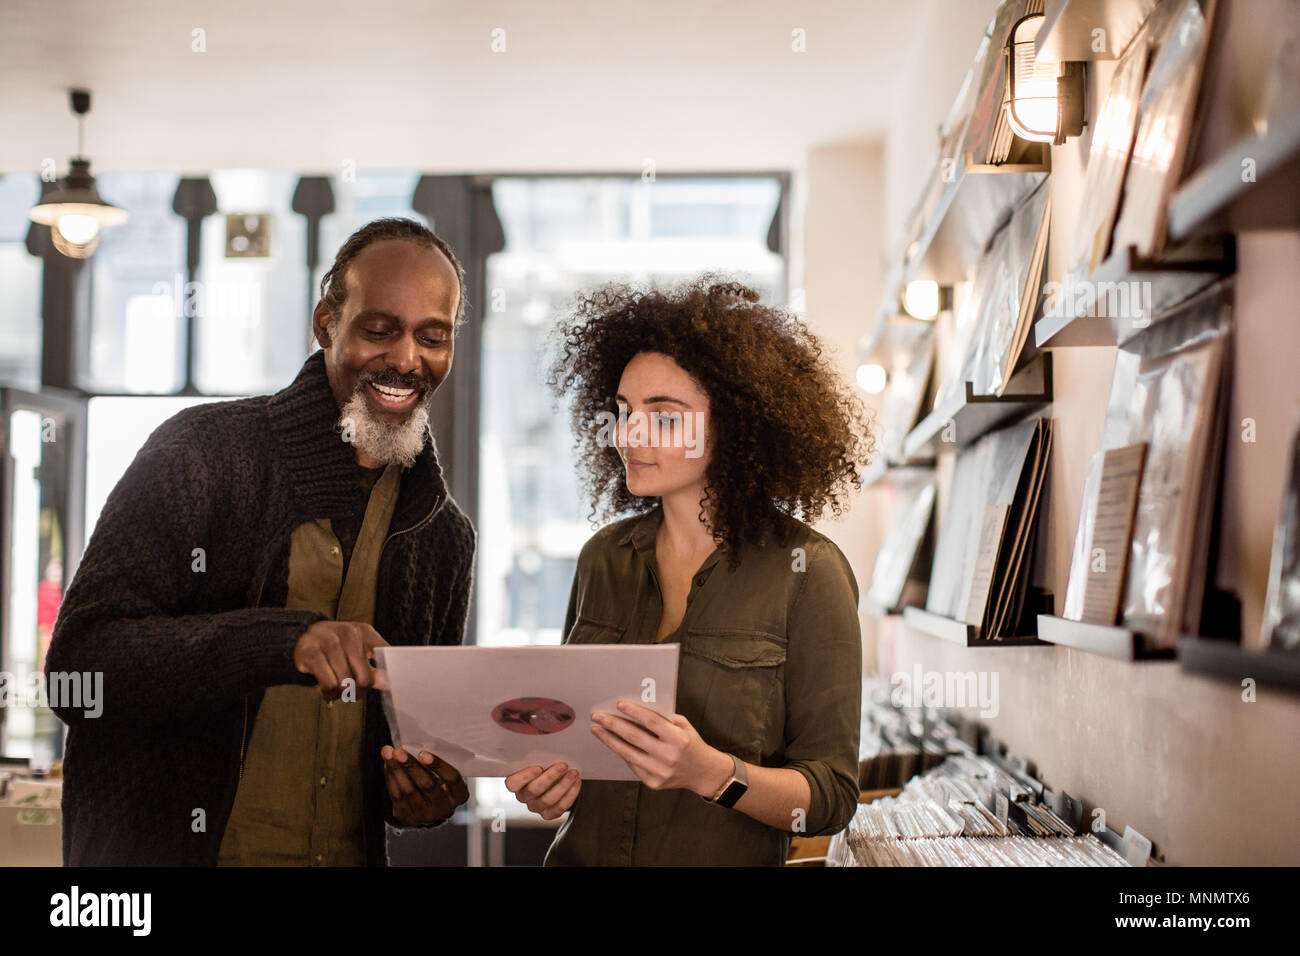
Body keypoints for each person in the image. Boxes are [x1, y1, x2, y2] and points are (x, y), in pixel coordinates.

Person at [45, 217, 475, 866]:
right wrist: (283, 642)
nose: (407, 359)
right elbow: (81, 669)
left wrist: (421, 796)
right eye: (379, 329)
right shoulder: (203, 452)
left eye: (432, 337)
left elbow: (404, 750)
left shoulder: (442, 537)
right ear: (326, 323)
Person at [507, 278, 873, 865]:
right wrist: (552, 786)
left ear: (736, 426)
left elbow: (829, 797)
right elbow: (573, 736)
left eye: (665, 416)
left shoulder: (809, 573)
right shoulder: (603, 558)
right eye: (624, 411)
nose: (629, 434)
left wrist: (711, 774)